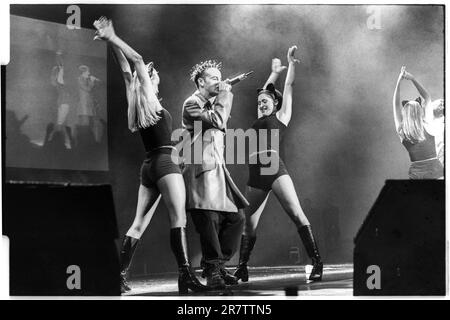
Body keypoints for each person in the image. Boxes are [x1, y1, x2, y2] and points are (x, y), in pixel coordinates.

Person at [93, 17, 207, 294]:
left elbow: (125, 69)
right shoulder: (151, 101)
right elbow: (137, 60)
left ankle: (117, 275)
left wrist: (110, 42)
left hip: (148, 167)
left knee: (138, 224)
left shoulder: (136, 103)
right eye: (150, 74)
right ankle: (186, 277)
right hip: (166, 164)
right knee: (178, 219)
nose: (151, 73)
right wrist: (115, 38)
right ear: (148, 81)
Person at [233, 46, 323, 283]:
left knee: (296, 214)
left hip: (275, 170)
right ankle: (242, 267)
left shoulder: (281, 117)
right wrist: (272, 74)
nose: (262, 103)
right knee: (248, 225)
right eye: (260, 101)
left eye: (266, 101)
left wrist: (290, 64)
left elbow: (289, 87)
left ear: (275, 104)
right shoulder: (260, 118)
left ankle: (317, 263)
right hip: (256, 175)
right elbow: (263, 92)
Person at [181, 60, 249, 289]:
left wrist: (221, 97)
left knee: (236, 218)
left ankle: (217, 264)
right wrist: (225, 95)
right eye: (213, 78)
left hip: (217, 170)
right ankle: (212, 269)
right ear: (201, 82)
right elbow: (218, 121)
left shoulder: (210, 103)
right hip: (200, 171)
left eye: (220, 78)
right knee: (209, 221)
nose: (219, 81)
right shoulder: (192, 103)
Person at [392, 66, 444, 179]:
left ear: (405, 114)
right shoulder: (428, 124)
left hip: (416, 174)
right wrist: (413, 79)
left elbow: (395, 105)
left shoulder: (402, 131)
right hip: (436, 172)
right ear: (420, 112)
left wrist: (398, 81)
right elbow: (427, 97)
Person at [49, 50, 72, 148]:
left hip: (64, 102)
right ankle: (55, 139)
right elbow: (54, 82)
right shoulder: (57, 75)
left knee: (61, 123)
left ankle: (54, 139)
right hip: (63, 102)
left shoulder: (63, 73)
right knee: (60, 123)